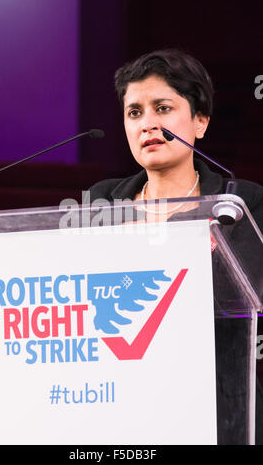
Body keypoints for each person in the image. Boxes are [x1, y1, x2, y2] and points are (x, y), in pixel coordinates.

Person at [84, 49, 263, 445]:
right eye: (134, 112)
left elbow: (243, 293)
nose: (148, 123)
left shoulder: (242, 202)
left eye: (162, 108)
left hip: (217, 404)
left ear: (200, 122)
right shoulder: (100, 203)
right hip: (117, 398)